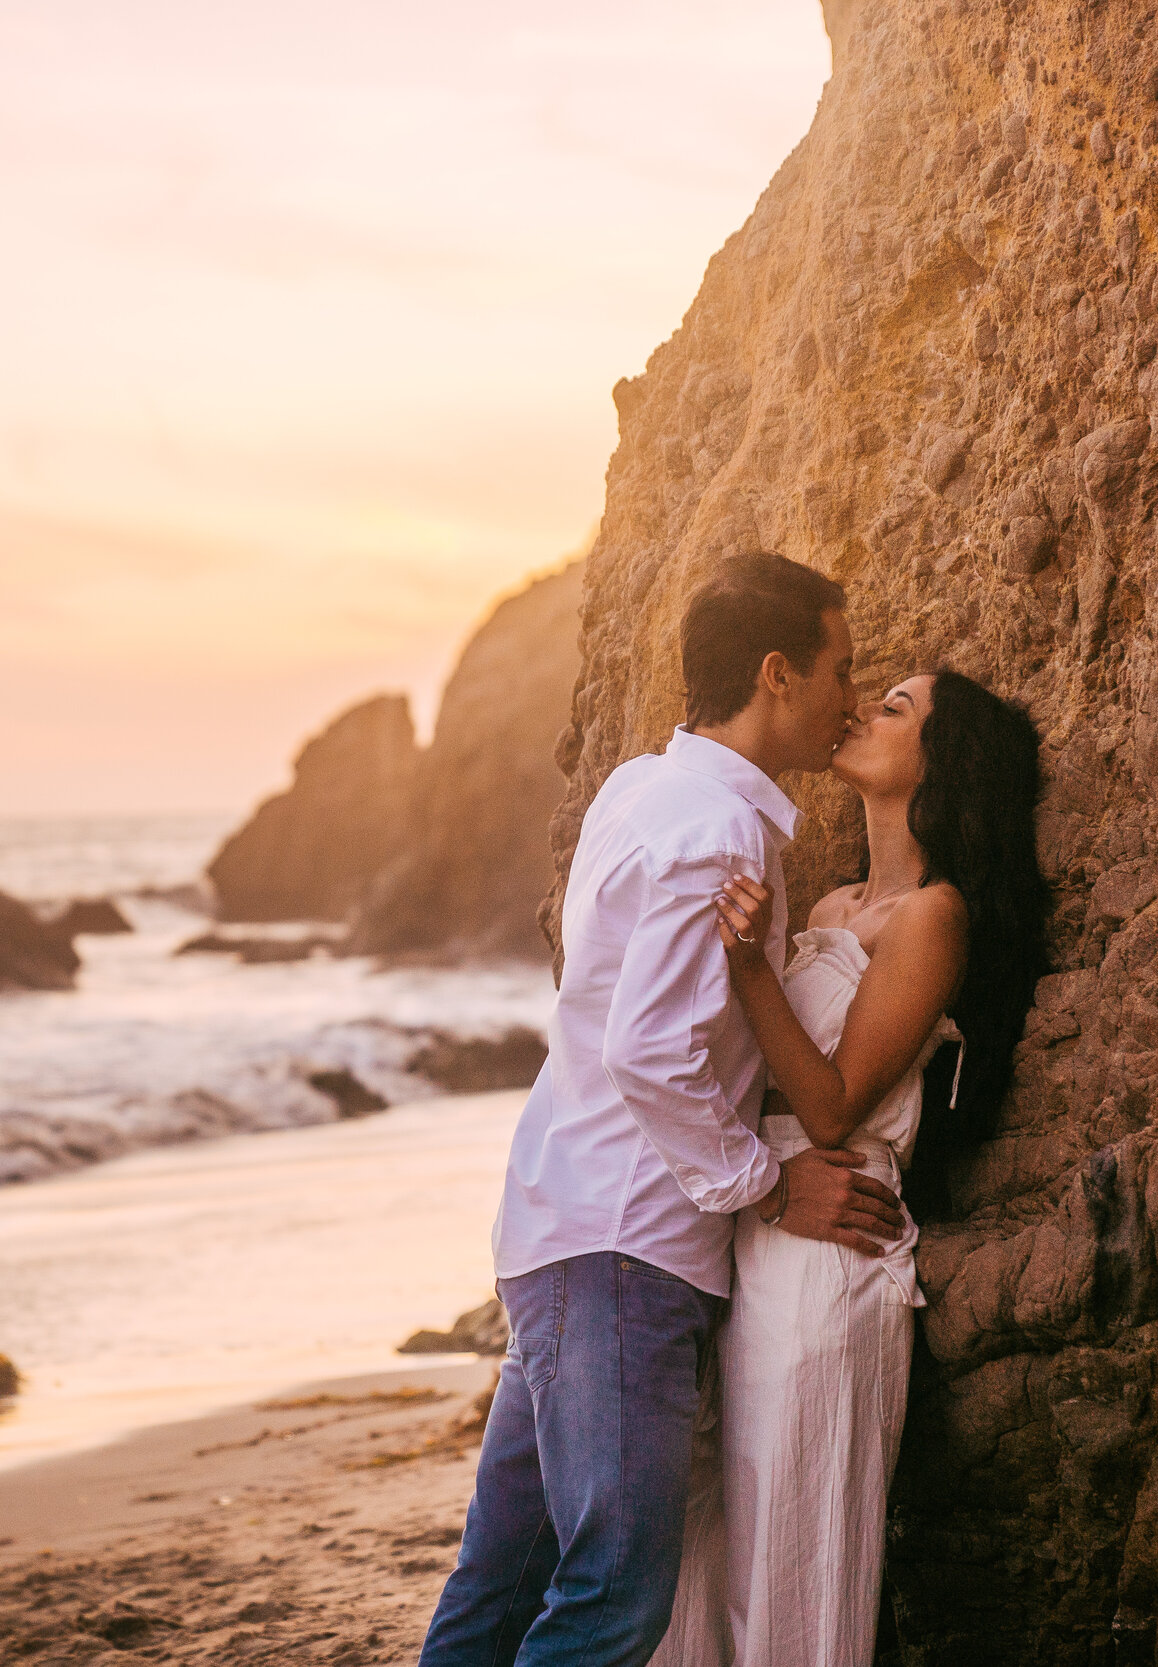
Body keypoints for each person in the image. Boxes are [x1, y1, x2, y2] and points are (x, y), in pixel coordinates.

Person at [418, 552, 907, 1667]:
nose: (849, 690)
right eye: (841, 667)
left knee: (500, 1581)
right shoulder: (716, 831)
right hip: (625, 1251)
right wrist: (770, 1183)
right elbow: (649, 1048)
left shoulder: (639, 788)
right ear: (776, 674)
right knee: (611, 1597)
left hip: (561, 1220)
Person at [649, 667, 1048, 1667]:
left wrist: (748, 967)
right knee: (710, 1532)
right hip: (754, 1220)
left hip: (831, 1243)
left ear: (941, 760)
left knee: (795, 1548)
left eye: (897, 708)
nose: (867, 710)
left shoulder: (933, 916)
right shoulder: (831, 899)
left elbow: (830, 1102)